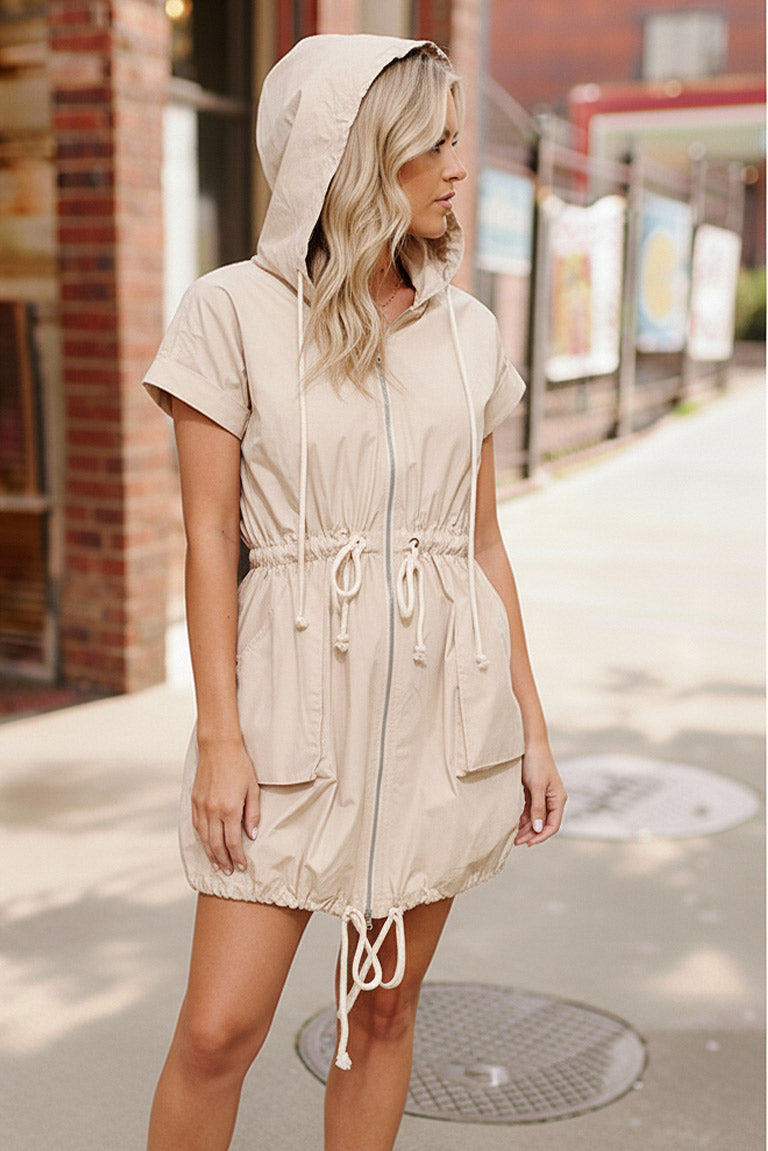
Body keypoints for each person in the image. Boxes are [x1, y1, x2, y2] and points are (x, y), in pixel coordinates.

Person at [143, 33, 566, 1151]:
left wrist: (531, 723)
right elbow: (207, 536)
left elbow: (481, 544)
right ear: (359, 153)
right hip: (289, 718)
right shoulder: (233, 312)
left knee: (380, 1014)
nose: (458, 166)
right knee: (217, 1032)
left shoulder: (468, 331)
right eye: (433, 142)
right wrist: (220, 736)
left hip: (438, 717)